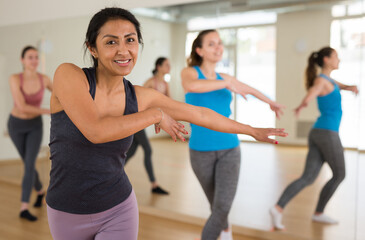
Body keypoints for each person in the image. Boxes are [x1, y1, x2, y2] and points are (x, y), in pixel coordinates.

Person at [46, 8, 287, 240]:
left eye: (130, 40)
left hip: (118, 207)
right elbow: (95, 131)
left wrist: (252, 130)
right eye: (111, 42)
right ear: (93, 48)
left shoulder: (140, 96)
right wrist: (155, 115)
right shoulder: (69, 75)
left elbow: (199, 114)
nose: (123, 50)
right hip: (66, 211)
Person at [181, 29, 285, 240]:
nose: (218, 47)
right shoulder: (190, 72)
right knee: (217, 206)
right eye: (211, 44)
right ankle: (226, 232)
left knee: (221, 207)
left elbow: (250, 89)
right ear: (199, 50)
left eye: (219, 43)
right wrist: (227, 83)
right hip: (200, 152)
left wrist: (270, 102)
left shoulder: (225, 77)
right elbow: (191, 86)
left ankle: (222, 233)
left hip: (230, 149)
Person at [270, 47, 358, 230]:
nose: (339, 59)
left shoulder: (329, 80)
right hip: (327, 133)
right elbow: (314, 91)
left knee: (308, 177)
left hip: (318, 132)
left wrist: (350, 87)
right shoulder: (321, 81)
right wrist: (303, 105)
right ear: (326, 60)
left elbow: (337, 85)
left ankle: (278, 208)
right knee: (340, 174)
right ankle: (318, 212)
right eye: (336, 57)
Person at [8, 45, 53, 221]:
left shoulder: (45, 79)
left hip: (35, 126)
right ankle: (40, 191)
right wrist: (49, 111)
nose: (34, 60)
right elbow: (22, 107)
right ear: (22, 60)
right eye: (30, 57)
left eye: (36, 57)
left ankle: (24, 207)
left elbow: (60, 94)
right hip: (16, 125)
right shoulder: (15, 79)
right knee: (28, 163)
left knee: (28, 164)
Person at [125, 57, 171, 195]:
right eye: (166, 65)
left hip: (146, 120)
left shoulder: (165, 84)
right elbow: (136, 101)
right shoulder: (151, 82)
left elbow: (169, 103)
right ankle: (154, 184)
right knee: (148, 149)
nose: (169, 67)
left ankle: (109, 175)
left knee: (132, 151)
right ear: (159, 66)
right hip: (137, 118)